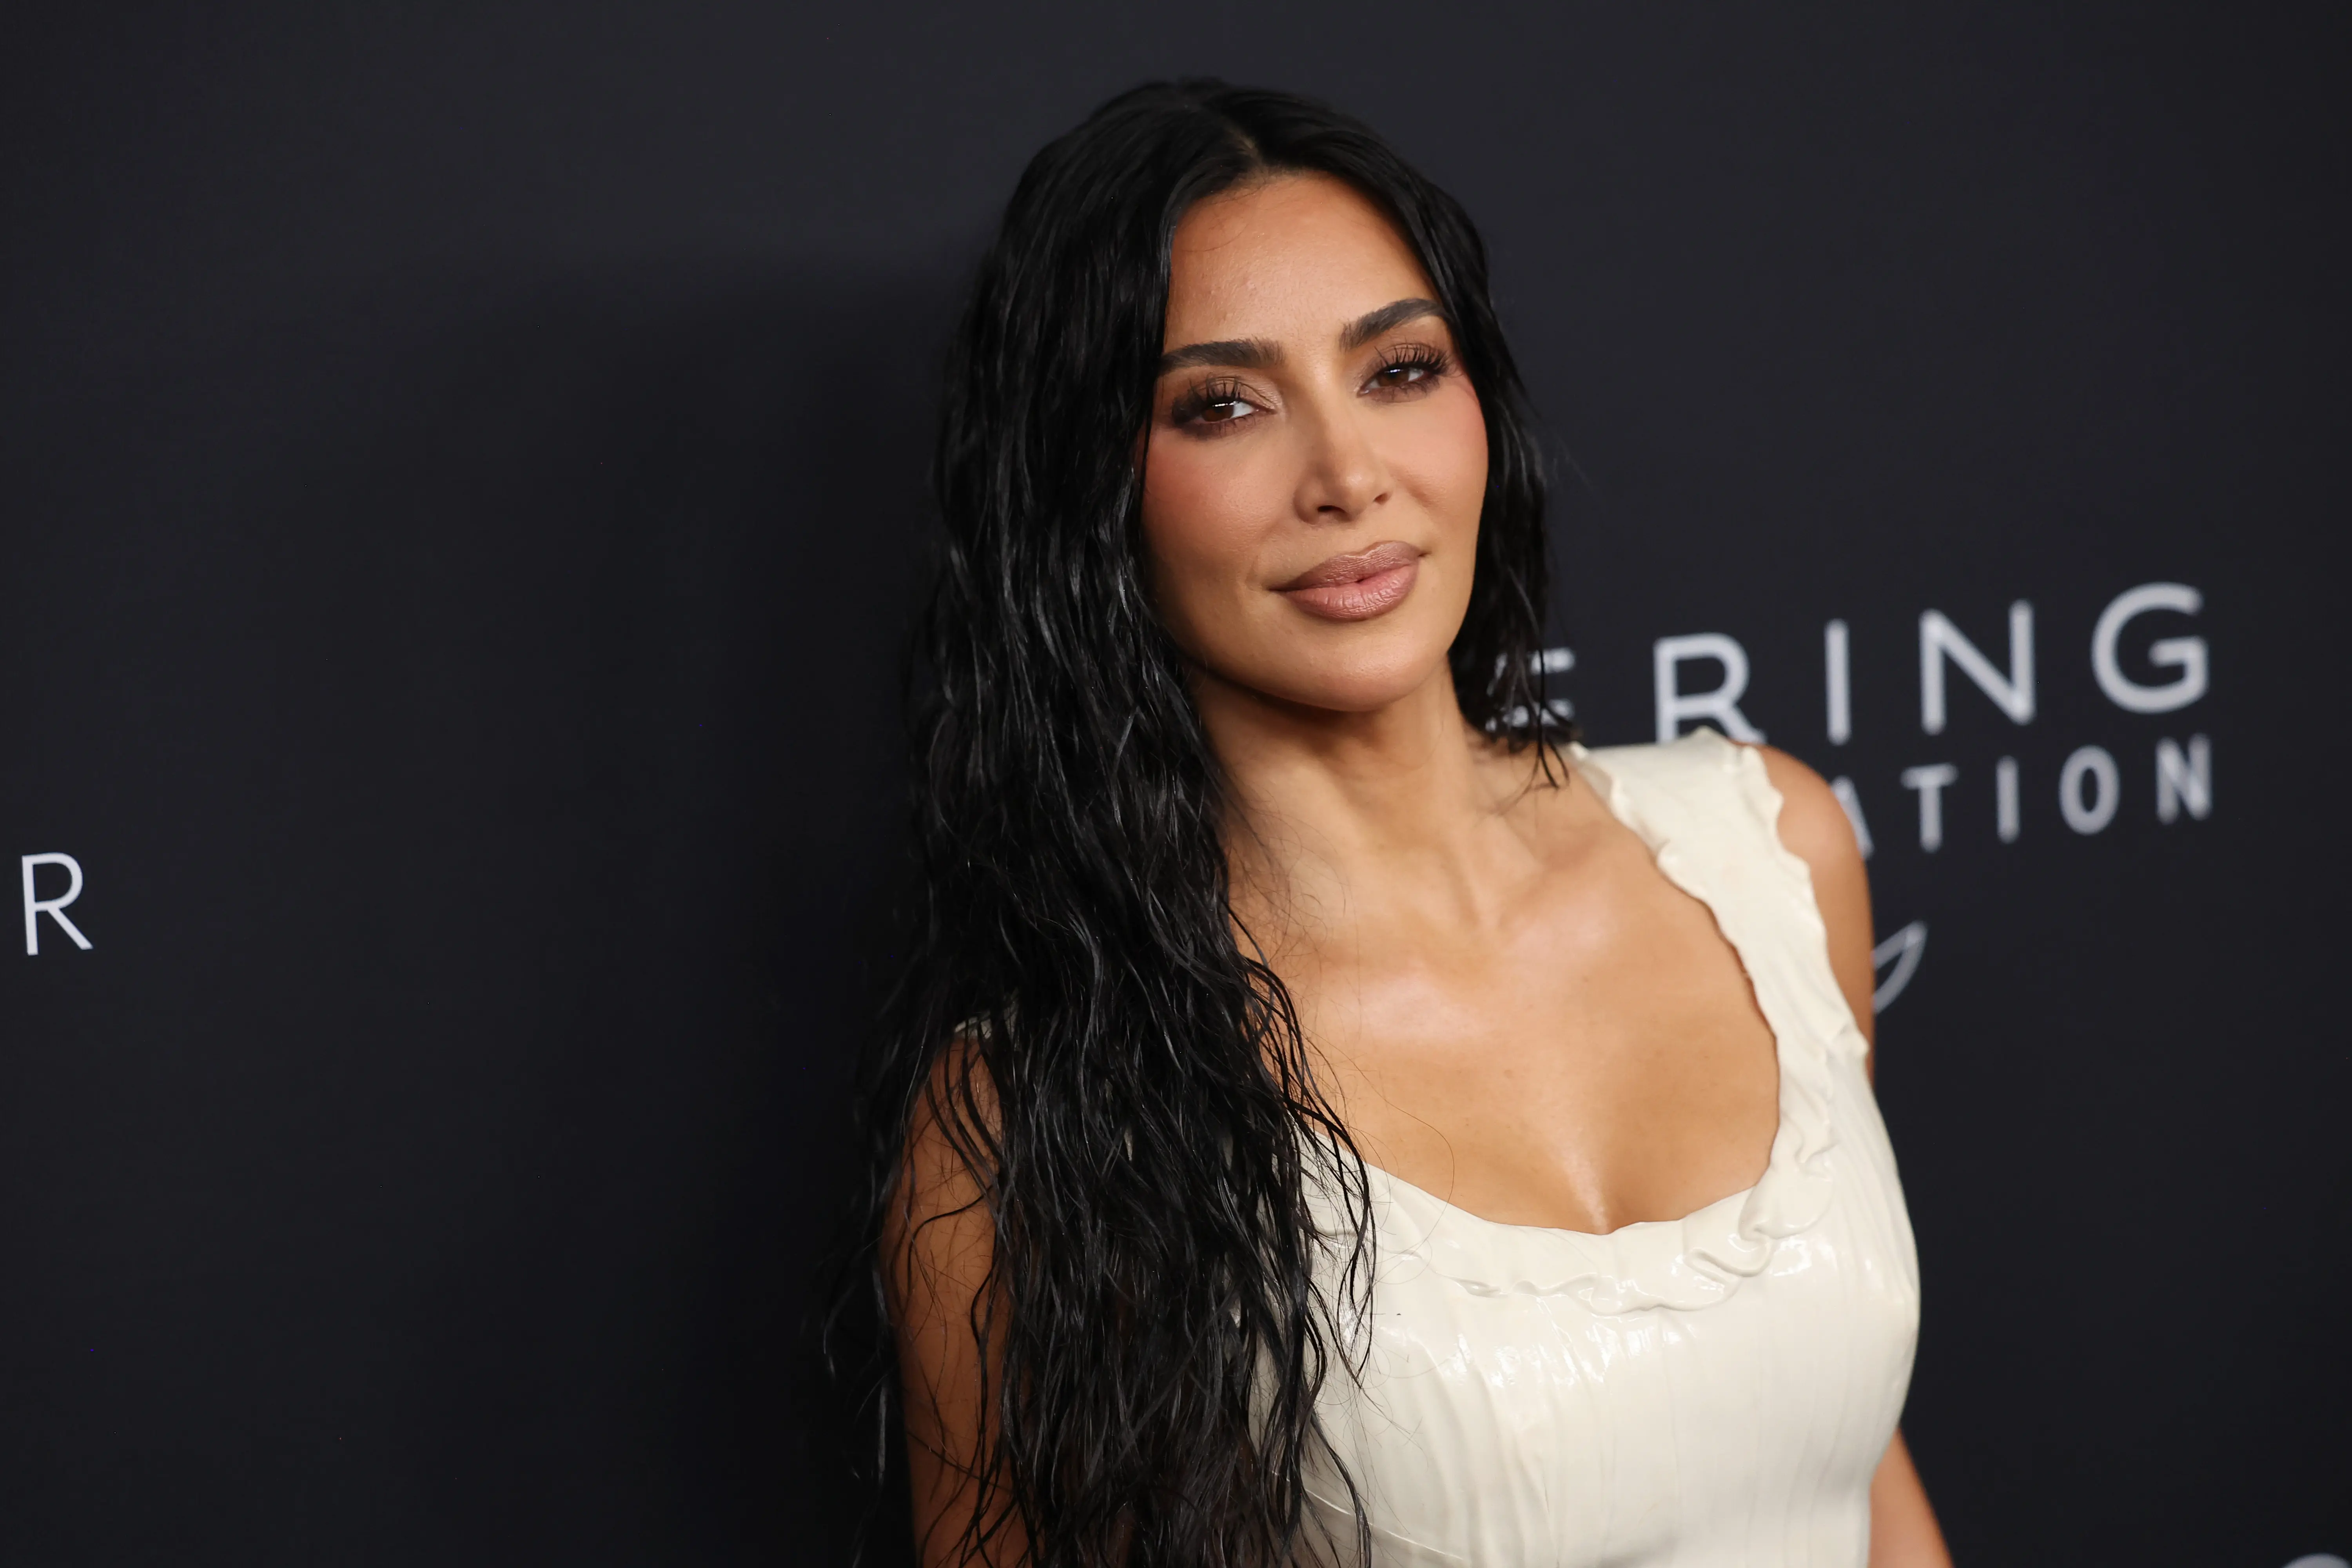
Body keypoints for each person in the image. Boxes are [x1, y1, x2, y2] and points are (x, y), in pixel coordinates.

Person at [864, 79, 1951, 1568]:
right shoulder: (1038, 1115)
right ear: (1089, 496)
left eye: (1398, 369)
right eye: (1225, 404)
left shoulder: (1773, 848)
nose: (1349, 476)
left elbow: (1858, 1474)